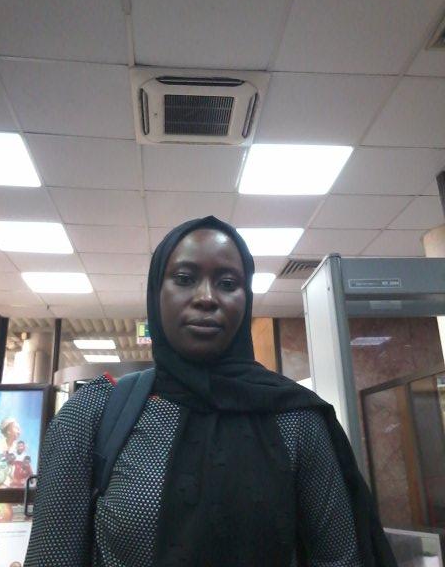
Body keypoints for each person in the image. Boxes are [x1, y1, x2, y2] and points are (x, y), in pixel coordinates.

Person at [25, 216, 396, 567]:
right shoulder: (93, 414)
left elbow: (337, 559)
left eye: (228, 283)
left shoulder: (296, 418)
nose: (206, 297)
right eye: (184, 278)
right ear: (156, 293)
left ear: (245, 299)